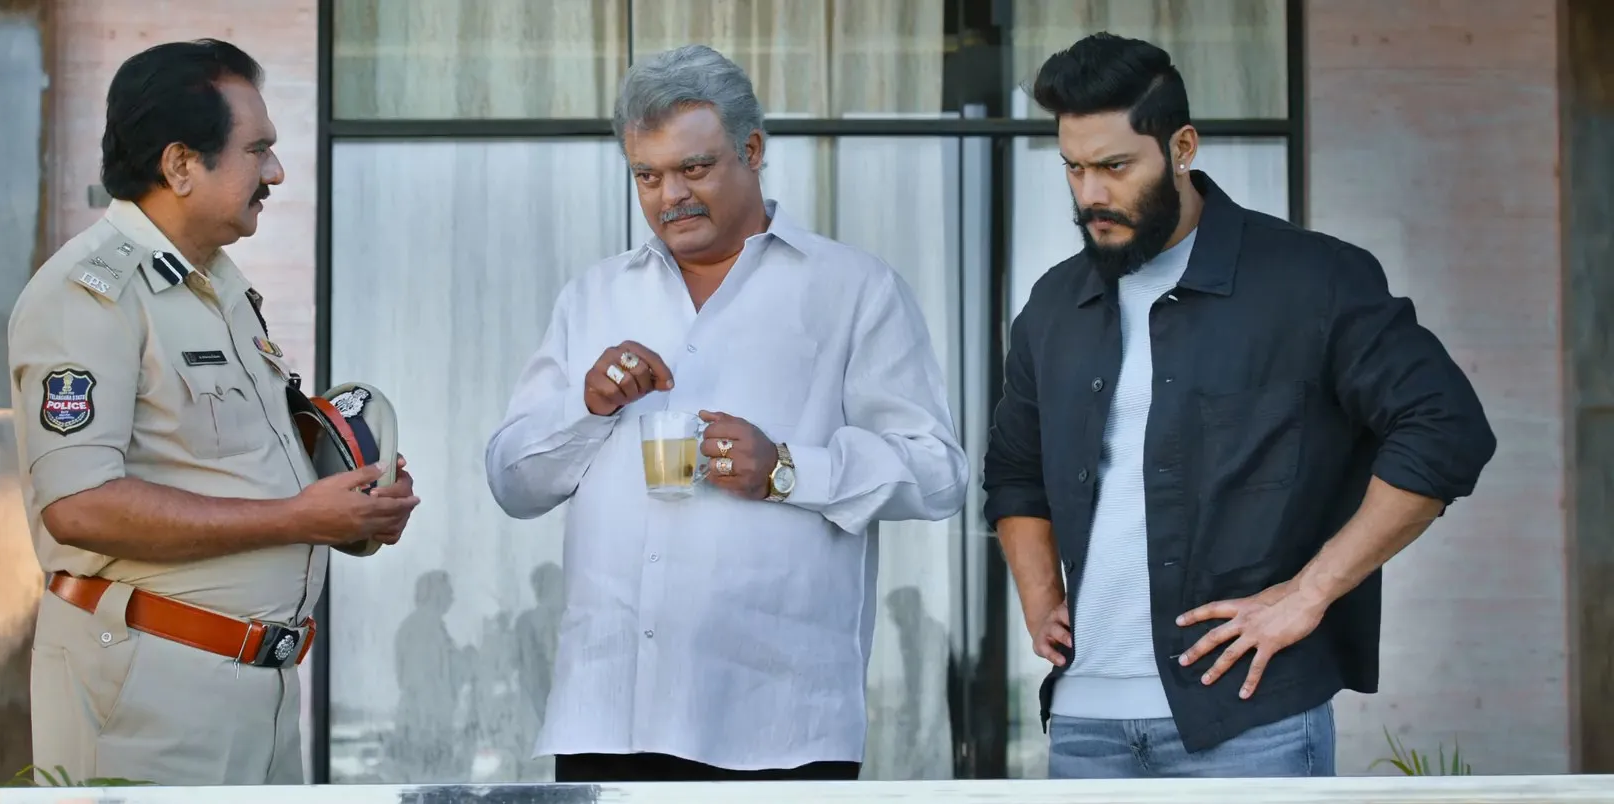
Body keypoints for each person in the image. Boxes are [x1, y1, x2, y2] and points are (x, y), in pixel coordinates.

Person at [982, 33, 1496, 779]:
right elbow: (1015, 471)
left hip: (1251, 723)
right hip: (1084, 725)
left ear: (1182, 147)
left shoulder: (1313, 280)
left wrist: (1309, 592)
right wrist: (1040, 597)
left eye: (1115, 167)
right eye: (1074, 167)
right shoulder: (1055, 304)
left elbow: (1445, 428)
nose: (1090, 194)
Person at [483, 44, 969, 783]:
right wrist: (587, 406)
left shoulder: (853, 290)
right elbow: (512, 483)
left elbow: (938, 473)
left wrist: (786, 470)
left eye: (695, 168)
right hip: (608, 713)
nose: (670, 196)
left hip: (778, 723)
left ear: (753, 150)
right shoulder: (593, 297)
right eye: (647, 176)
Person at [7, 39, 419, 786]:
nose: (276, 172)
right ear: (180, 165)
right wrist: (296, 519)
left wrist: (351, 505)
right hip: (150, 701)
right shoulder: (89, 294)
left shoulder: (216, 286)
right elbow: (78, 506)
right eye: (257, 150)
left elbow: (228, 466)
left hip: (256, 694)